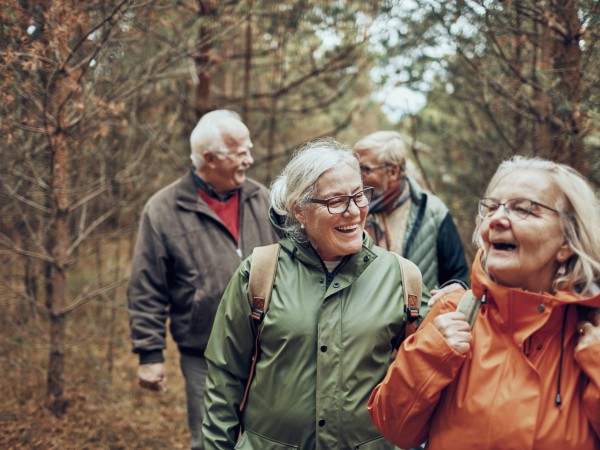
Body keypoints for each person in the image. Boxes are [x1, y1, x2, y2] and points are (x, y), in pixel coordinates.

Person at [202, 138, 430, 450]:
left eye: (358, 196)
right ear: (300, 209)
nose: (353, 212)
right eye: (335, 201)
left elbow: (433, 376)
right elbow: (224, 379)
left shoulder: (403, 279)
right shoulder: (259, 273)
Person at [368, 156, 600, 449]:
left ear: (567, 240)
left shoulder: (591, 328)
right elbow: (394, 428)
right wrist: (429, 355)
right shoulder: (453, 312)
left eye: (523, 209)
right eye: (491, 208)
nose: (498, 219)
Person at [127, 109, 279, 450]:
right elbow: (147, 286)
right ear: (210, 158)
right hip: (204, 353)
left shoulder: (264, 200)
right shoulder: (163, 209)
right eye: (241, 153)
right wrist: (150, 354)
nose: (250, 160)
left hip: (271, 347)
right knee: (212, 440)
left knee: (271, 438)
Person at [353, 131, 469, 291]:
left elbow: (457, 278)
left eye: (365, 169)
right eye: (355, 168)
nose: (356, 176)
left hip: (421, 315)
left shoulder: (433, 211)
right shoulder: (351, 209)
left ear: (393, 171)